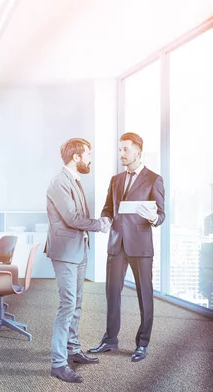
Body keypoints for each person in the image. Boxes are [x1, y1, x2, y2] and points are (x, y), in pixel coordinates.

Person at [88, 132, 165, 363]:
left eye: (125, 149)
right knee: (112, 294)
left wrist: (153, 218)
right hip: (116, 244)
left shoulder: (154, 179)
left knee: (145, 295)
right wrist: (106, 219)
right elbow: (107, 208)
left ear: (138, 151)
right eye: (119, 149)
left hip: (140, 246)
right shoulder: (116, 179)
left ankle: (143, 343)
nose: (121, 153)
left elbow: (161, 215)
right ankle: (110, 339)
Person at [46, 138, 110, 383]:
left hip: (78, 249)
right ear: (76, 157)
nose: (90, 158)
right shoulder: (59, 182)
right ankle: (58, 364)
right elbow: (72, 218)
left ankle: (72, 349)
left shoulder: (73, 180)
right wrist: (99, 225)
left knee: (77, 304)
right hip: (65, 252)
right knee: (67, 306)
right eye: (88, 154)